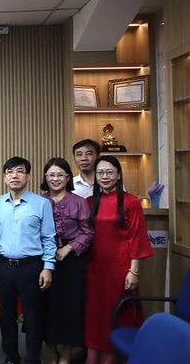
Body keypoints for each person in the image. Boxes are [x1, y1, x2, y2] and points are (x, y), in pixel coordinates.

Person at [84, 156, 153, 364]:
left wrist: (134, 271)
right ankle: (92, 356)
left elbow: (137, 237)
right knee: (95, 314)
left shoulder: (131, 201)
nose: (104, 176)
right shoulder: (89, 202)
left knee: (118, 313)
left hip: (121, 268)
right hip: (94, 268)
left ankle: (111, 358)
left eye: (109, 172)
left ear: (118, 175)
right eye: (100, 172)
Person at [0, 156, 56, 364]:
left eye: (19, 171)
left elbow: (49, 237)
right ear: (4, 177)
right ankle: (11, 356)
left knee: (33, 316)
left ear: (28, 176)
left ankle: (33, 358)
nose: (14, 175)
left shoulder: (42, 204)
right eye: (9, 172)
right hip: (4, 266)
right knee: (6, 316)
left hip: (32, 267)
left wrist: (48, 267)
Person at [40, 158, 93, 364]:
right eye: (51, 175)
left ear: (68, 177)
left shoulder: (79, 202)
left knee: (71, 308)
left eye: (60, 175)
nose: (55, 179)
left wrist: (68, 248)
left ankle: (66, 354)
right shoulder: (39, 201)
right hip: (45, 261)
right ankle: (51, 350)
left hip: (73, 262)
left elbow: (88, 232)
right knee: (46, 307)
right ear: (45, 177)